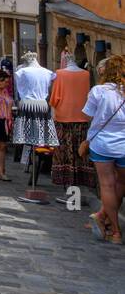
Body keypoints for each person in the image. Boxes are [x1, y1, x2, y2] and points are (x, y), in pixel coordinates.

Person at [83, 55, 125, 244]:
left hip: (102, 144)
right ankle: (102, 216)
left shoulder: (98, 91)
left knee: (107, 186)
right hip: (124, 144)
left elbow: (87, 116)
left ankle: (115, 231)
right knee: (120, 184)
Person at [50, 54, 96, 190]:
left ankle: (67, 181)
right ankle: (79, 181)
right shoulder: (86, 74)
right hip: (82, 117)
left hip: (63, 117)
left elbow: (55, 98)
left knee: (64, 149)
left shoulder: (60, 74)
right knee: (80, 149)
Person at [12, 52, 57, 166]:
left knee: (32, 137)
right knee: (38, 136)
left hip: (28, 104)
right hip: (41, 105)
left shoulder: (23, 72)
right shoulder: (47, 72)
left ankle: (32, 161)